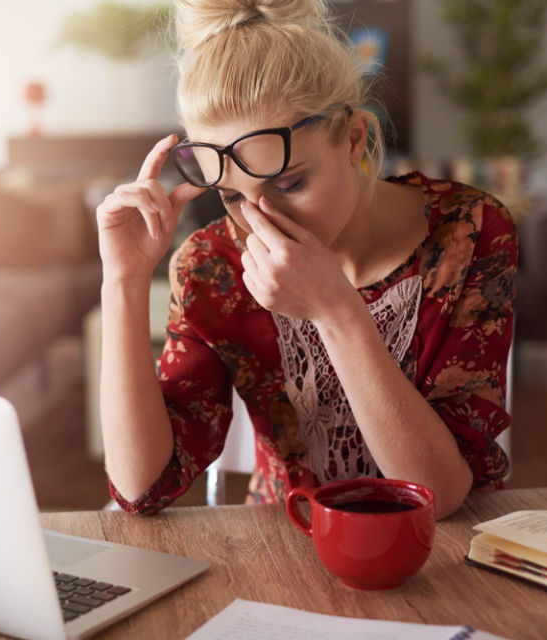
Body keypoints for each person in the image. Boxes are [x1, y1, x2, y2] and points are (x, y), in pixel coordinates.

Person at [95, 0, 516, 520]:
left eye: (290, 184)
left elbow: (439, 495)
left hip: (444, 557)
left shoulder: (468, 232)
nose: (262, 221)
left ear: (355, 139)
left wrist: (336, 311)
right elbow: (141, 489)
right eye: (231, 196)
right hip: (287, 543)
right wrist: (124, 280)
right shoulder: (213, 266)